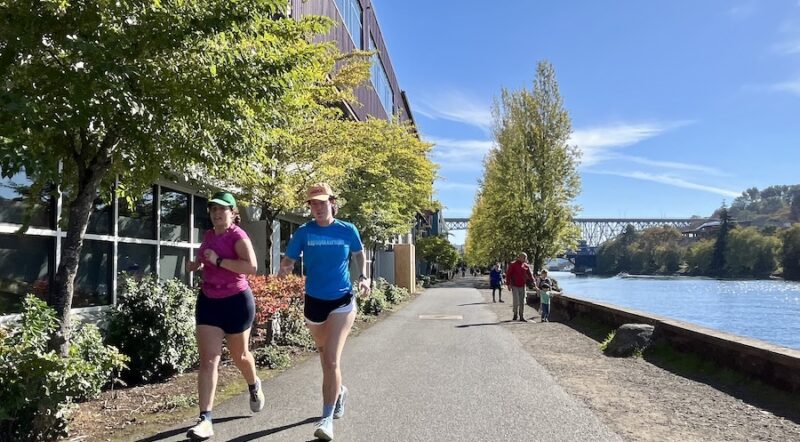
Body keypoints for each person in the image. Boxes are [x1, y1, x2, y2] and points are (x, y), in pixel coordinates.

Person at [278, 183, 371, 441]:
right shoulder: (304, 232)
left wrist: (364, 277)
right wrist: (284, 269)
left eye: (322, 202)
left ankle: (326, 419)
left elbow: (359, 254)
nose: (317, 208)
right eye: (313, 203)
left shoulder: (347, 229)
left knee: (331, 359)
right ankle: (339, 391)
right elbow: (290, 260)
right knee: (323, 356)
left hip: (341, 300)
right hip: (314, 302)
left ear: (332, 202)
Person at [185, 191, 264, 440]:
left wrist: (219, 261)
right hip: (209, 300)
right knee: (209, 359)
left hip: (236, 302)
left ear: (232, 213)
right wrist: (195, 265)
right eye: (213, 210)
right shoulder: (208, 236)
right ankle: (205, 419)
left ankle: (253, 385)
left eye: (222, 209)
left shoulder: (238, 236)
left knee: (240, 355)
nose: (217, 214)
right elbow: (203, 258)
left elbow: (251, 267)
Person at [506, 253, 534, 322]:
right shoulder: (513, 265)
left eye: (526, 258)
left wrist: (534, 282)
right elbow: (508, 275)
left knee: (522, 301)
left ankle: (521, 316)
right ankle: (515, 314)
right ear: (519, 257)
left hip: (522, 285)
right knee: (516, 301)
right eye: (524, 258)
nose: (525, 259)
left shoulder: (525, 265)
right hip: (515, 285)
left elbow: (530, 275)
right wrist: (508, 284)